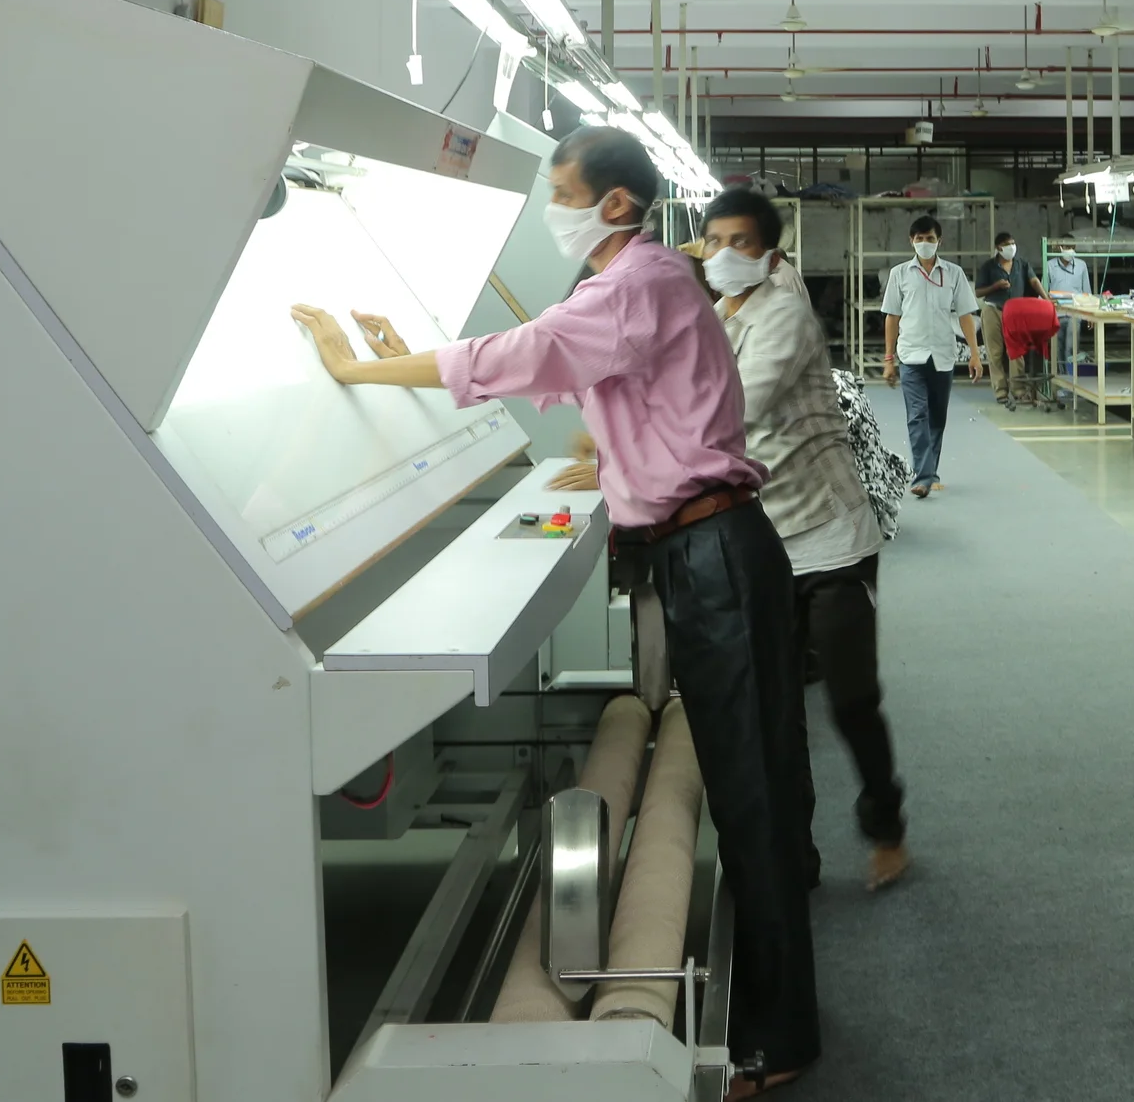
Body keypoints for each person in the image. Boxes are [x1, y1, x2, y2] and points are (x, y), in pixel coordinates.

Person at [289, 128, 817, 1098]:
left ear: (614, 204)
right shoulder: (641, 280)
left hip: (717, 558)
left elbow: (526, 353)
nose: (553, 207)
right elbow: (606, 383)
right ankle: (778, 1018)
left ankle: (774, 1039)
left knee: (752, 795)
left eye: (562, 191)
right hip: (706, 548)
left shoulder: (635, 282)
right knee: (754, 783)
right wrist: (606, 457)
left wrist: (364, 369)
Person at [702, 191, 909, 892]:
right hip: (764, 541)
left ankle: (886, 822)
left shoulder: (784, 313)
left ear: (771, 254)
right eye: (715, 240)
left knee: (850, 698)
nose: (726, 255)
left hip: (830, 535)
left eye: (743, 242)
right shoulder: (716, 320)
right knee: (779, 711)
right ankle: (796, 853)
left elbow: (731, 407)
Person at [878, 215, 982, 499]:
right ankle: (923, 476)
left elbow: (965, 316)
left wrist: (974, 354)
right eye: (920, 239)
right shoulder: (899, 274)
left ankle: (928, 470)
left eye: (930, 239)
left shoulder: (954, 274)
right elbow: (892, 318)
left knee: (937, 417)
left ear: (940, 241)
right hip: (911, 355)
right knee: (917, 415)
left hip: (942, 356)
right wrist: (889, 359)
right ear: (911, 241)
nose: (925, 244)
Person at [973, 231, 1042, 409]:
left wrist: (1046, 297)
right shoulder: (989, 267)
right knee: (995, 352)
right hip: (993, 310)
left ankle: (1019, 390)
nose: (1011, 247)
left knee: (1016, 352)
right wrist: (996, 286)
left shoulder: (1021, 264)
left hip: (1015, 312)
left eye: (1013, 243)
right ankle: (1001, 391)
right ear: (998, 248)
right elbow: (978, 292)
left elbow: (1034, 281)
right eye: (1007, 245)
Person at [1044, 239, 1093, 369]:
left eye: (1072, 246)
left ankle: (1071, 379)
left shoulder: (1081, 265)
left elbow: (1086, 292)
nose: (1069, 249)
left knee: (1071, 348)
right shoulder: (1049, 265)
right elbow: (1043, 293)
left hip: (1074, 313)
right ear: (1060, 247)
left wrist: (1090, 315)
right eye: (1066, 246)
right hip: (1055, 314)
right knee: (1057, 349)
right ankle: (1061, 378)